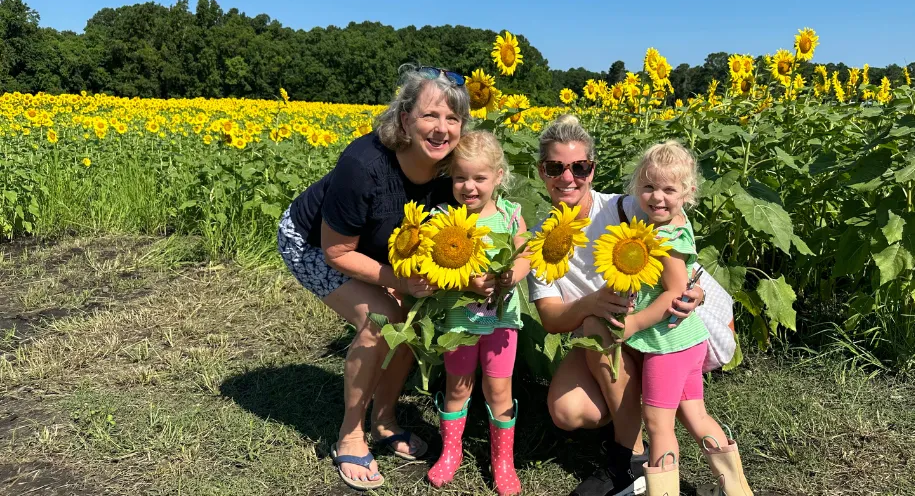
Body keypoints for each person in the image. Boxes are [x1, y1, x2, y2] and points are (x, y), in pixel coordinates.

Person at [276, 66, 469, 491]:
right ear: (404, 119)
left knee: (409, 323)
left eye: (452, 119)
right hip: (312, 241)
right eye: (430, 116)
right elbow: (336, 251)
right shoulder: (363, 165)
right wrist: (398, 283)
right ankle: (349, 433)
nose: (442, 129)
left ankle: (384, 420)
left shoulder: (449, 171)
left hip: (375, 249)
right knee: (381, 319)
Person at [527, 115, 730, 496]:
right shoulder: (543, 241)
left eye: (579, 167)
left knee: (596, 329)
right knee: (568, 408)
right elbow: (551, 318)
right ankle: (632, 427)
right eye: (556, 167)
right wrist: (592, 302)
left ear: (592, 169)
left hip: (653, 333)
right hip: (609, 342)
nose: (568, 178)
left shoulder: (625, 209)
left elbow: (676, 228)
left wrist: (691, 288)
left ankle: (630, 458)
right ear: (541, 172)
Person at [611, 141, 752, 496]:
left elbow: (674, 293)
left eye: (668, 189)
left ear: (687, 193)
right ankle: (736, 490)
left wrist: (634, 323)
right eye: (648, 187)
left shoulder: (667, 238)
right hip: (687, 341)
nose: (657, 197)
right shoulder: (675, 223)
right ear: (636, 188)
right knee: (695, 416)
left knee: (658, 425)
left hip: (667, 346)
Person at [425, 130, 531, 495]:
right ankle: (450, 451)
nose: (469, 187)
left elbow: (526, 253)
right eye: (460, 177)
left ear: (498, 177)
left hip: (502, 320)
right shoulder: (443, 219)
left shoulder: (509, 214)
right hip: (458, 320)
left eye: (479, 178)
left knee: (499, 389)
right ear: (450, 178)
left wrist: (510, 275)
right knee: (457, 386)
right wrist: (467, 282)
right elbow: (430, 268)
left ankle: (503, 462)